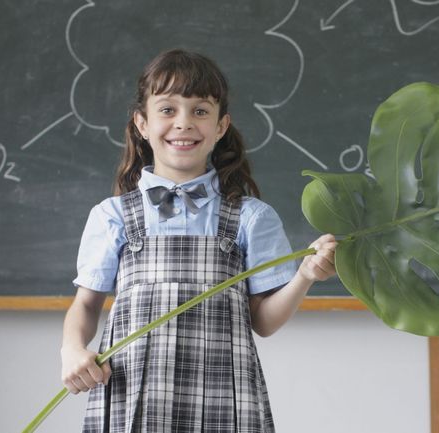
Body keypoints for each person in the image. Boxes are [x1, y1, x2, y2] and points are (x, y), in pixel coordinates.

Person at [60, 48, 337, 432]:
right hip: (134, 397)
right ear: (142, 122)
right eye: (168, 109)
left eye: (200, 111)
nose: (184, 123)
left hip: (226, 398)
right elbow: (86, 305)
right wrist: (72, 349)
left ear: (221, 125)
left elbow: (264, 322)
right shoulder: (112, 216)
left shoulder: (251, 218)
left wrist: (305, 275)